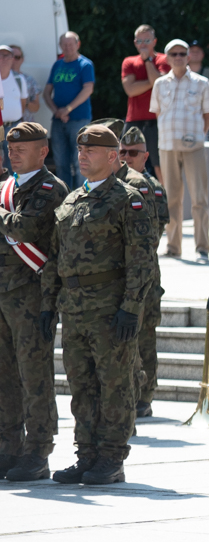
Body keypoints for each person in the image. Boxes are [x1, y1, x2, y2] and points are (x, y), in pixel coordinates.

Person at [42, 124, 157, 485]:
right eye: (80, 150)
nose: (82, 155)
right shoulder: (71, 200)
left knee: (115, 385)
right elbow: (55, 258)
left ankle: (111, 457)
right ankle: (86, 455)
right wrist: (48, 305)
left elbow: (142, 260)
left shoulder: (128, 199)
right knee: (81, 385)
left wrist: (131, 308)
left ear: (112, 156)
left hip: (109, 308)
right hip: (74, 308)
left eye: (90, 150)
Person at [0, 123, 68, 482]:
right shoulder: (5, 188)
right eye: (10, 148)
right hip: (3, 292)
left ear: (42, 152)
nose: (13, 154)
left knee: (34, 375)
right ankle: (8, 447)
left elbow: (23, 229)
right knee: (5, 375)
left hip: (30, 294)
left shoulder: (49, 188)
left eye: (21, 148)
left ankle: (38, 450)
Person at [114, 126, 169, 418]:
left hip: (145, 276)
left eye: (133, 153)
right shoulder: (114, 184)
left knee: (145, 337)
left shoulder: (149, 187)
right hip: (122, 275)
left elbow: (152, 234)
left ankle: (145, 395)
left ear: (145, 156)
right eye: (122, 152)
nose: (127, 157)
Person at [149, 39, 209, 261]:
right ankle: (173, 246)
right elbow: (158, 113)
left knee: (199, 198)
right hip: (167, 146)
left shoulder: (202, 82)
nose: (178, 57)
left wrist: (196, 136)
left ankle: (202, 248)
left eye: (182, 53)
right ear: (167, 58)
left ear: (188, 57)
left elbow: (208, 116)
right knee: (171, 198)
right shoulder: (159, 84)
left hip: (194, 146)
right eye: (173, 54)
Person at [43, 32, 94, 191]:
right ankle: (64, 195)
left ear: (78, 44)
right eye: (64, 44)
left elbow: (88, 89)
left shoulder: (85, 65)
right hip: (58, 120)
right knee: (60, 162)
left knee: (80, 161)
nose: (68, 47)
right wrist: (57, 111)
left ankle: (81, 195)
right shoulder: (57, 65)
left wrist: (68, 109)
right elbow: (46, 92)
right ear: (60, 46)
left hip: (79, 119)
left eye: (71, 44)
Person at [121, 24, 170, 181]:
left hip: (157, 120)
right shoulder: (129, 62)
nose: (143, 44)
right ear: (135, 43)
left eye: (147, 40)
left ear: (154, 42)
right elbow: (130, 90)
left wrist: (148, 61)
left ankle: (164, 195)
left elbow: (160, 85)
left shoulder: (163, 59)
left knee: (159, 164)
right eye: (139, 41)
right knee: (128, 160)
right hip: (134, 120)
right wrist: (154, 82)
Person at [0, 45, 27, 172]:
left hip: (14, 127)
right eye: (1, 55)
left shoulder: (19, 79)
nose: (4, 59)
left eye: (7, 56)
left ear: (12, 59)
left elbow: (23, 104)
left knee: (14, 161)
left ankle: (13, 185)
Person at [9, 46, 40, 122]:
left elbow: (36, 107)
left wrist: (23, 101)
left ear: (22, 59)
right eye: (10, 56)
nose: (13, 60)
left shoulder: (30, 80)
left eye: (17, 57)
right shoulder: (1, 79)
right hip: (5, 125)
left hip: (25, 124)